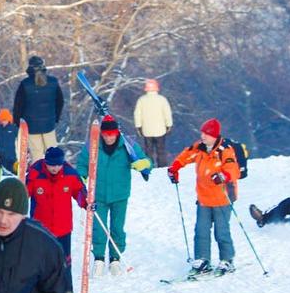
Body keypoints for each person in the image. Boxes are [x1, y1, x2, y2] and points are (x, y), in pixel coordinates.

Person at [168, 118, 240, 277]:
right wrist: (175, 167)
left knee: (221, 231)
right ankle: (202, 259)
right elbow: (185, 155)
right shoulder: (199, 148)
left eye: (206, 134)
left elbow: (233, 169)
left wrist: (224, 175)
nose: (203, 136)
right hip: (204, 198)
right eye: (202, 133)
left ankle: (227, 260)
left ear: (214, 136)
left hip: (222, 198)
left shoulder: (225, 150)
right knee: (201, 230)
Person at [90, 116, 151, 274]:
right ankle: (98, 259)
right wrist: (82, 180)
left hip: (120, 195)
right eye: (106, 134)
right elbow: (83, 165)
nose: (109, 137)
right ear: (102, 134)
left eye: (112, 134)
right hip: (99, 195)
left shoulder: (127, 145)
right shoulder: (94, 145)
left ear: (117, 133)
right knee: (99, 228)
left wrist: (141, 164)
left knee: (117, 228)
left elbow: (146, 162)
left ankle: (115, 259)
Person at [25, 146, 87, 266]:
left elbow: (79, 192)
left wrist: (87, 203)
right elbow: (24, 194)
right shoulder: (35, 174)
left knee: (64, 262)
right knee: (41, 263)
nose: (55, 168)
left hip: (63, 228)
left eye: (58, 165)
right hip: (40, 228)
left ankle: (65, 283)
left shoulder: (70, 174)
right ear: (46, 162)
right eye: (52, 165)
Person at [11, 56, 65, 162]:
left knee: (37, 155)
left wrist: (18, 123)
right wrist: (55, 119)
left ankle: (40, 177)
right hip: (49, 124)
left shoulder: (25, 84)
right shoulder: (53, 82)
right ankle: (56, 176)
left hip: (31, 126)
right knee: (53, 154)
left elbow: (18, 106)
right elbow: (60, 102)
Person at [132, 79, 174, 166]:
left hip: (147, 130)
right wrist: (169, 125)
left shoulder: (141, 100)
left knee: (148, 150)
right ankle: (162, 167)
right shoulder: (162, 100)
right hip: (160, 130)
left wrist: (138, 126)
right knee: (161, 150)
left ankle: (149, 166)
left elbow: (137, 114)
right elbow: (167, 113)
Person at [0, 109, 20, 174]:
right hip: (1, 157)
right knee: (3, 176)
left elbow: (21, 138)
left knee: (15, 174)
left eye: (4, 120)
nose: (3, 122)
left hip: (13, 157)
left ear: (8, 119)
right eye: (1, 120)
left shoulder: (14, 127)